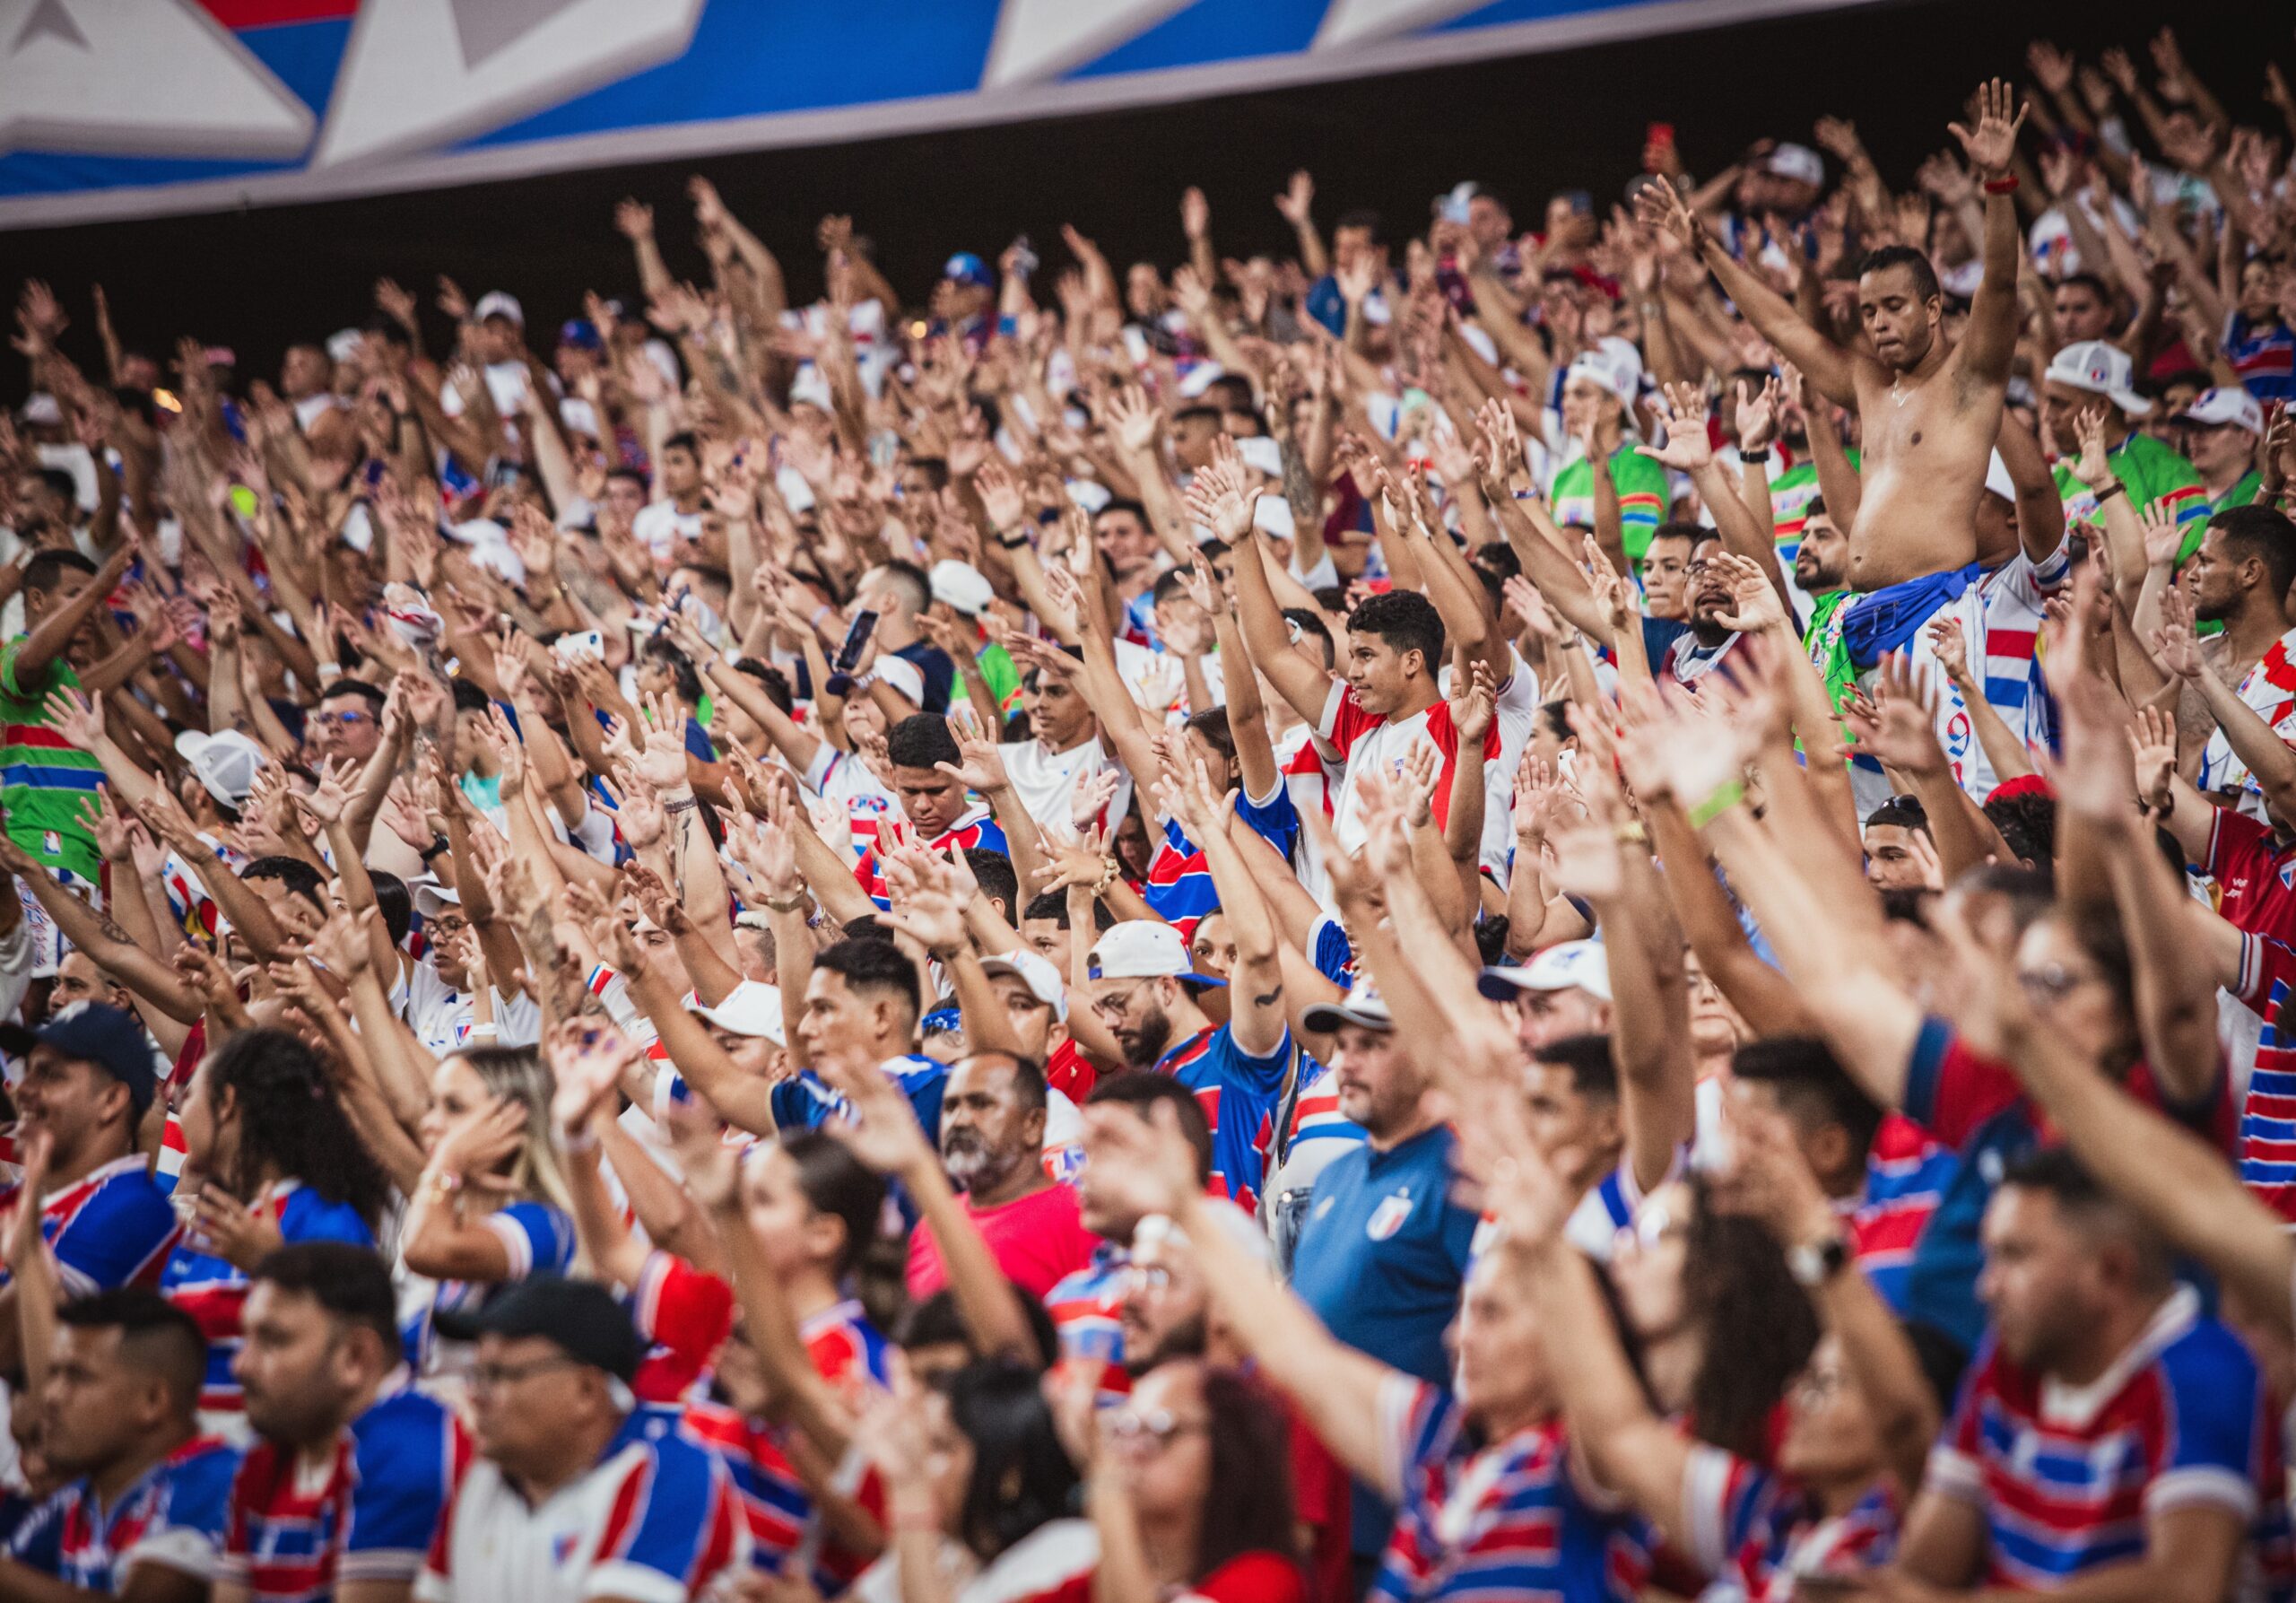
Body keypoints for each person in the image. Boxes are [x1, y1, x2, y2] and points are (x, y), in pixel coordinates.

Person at [1083, 1102, 1651, 1603]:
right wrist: (1185, 1208)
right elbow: (1299, 1352)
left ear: (1569, 1334)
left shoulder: (1587, 1464)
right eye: (1465, 1312)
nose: (1459, 1337)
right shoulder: (1441, 1452)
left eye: (1492, 1314)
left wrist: (1547, 1242)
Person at [1639, 82, 2026, 592]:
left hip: (1937, 614)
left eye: (1894, 306)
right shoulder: (1868, 384)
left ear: (1934, 309)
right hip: (1865, 614)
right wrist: (1708, 248)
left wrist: (1997, 181)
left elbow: (1998, 281)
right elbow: (1780, 326)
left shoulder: (1969, 378)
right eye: (1868, 311)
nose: (1879, 322)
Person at [1889, 1149, 2293, 1599]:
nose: (1987, 1287)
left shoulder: (2203, 1371)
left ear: (2111, 1272)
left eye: (2015, 1256)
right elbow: (1927, 1568)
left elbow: (2186, 1587)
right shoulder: (2007, 1358)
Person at [1284, 987, 1477, 1588]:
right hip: (1316, 1502)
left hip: (1402, 1513)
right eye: (1342, 1045)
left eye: (1371, 1044)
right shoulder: (1339, 1172)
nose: (1346, 1061)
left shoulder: (1461, 1174)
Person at [419, 1276, 747, 1601]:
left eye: (500, 1375)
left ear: (586, 1392)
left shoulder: (670, 1474)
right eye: (476, 1376)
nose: (476, 1396)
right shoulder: (481, 1479)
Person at [161, 1029, 389, 1428]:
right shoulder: (211, 1220)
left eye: (190, 1094)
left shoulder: (324, 1219)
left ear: (227, 1103)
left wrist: (270, 1265)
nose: (179, 1108)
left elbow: (356, 1366)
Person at [223, 1243, 465, 1603]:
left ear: (355, 1356)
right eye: (247, 1338)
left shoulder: (409, 1452)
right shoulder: (265, 1458)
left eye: (273, 1340)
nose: (240, 1365)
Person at [1, 1289, 239, 1599]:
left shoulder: (216, 1480)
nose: (51, 1396)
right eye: (53, 1375)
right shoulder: (76, 1499)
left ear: (153, 1401)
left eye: (77, 1376)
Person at [0, 1005, 179, 1367]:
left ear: (111, 1100)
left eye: (49, 1075)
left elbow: (30, 1352)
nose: (23, 1091)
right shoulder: (22, 1199)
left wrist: (27, 1263)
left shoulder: (134, 1210)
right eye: (28, 1071)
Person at [399, 1046, 578, 1377]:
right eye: (431, 1105)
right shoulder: (451, 1219)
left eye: (453, 1107)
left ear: (513, 1123)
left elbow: (422, 1250)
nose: (430, 1123)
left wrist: (446, 1163)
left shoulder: (544, 1224)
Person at [905, 1052, 1101, 1302]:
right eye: (950, 1107)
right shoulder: (932, 1224)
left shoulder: (1083, 1219)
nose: (960, 1120)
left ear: (1033, 1124)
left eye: (982, 1104)